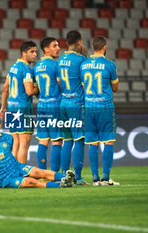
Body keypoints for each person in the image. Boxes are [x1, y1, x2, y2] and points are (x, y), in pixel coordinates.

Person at [0, 115, 76, 189]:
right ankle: (61, 185)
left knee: (39, 171)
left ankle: (67, 178)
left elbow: (10, 153)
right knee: (31, 181)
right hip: (4, 179)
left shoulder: (8, 138)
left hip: (16, 167)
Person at [80, 36, 120, 186]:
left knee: (93, 143)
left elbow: (84, 85)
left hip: (89, 107)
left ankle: (95, 179)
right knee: (108, 141)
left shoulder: (83, 65)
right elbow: (115, 88)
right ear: (104, 47)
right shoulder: (109, 64)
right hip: (105, 107)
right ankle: (106, 178)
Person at [0, 41, 39, 164]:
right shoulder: (27, 69)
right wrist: (39, 87)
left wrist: (3, 106)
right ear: (23, 53)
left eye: (35, 51)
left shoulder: (13, 67)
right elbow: (29, 91)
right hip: (23, 109)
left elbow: (5, 88)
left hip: (12, 108)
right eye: (32, 52)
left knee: (15, 143)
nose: (35, 54)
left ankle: (12, 173)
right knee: (24, 144)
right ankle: (22, 174)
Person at [57, 31, 88, 185]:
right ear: (79, 42)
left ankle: (64, 175)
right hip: (76, 104)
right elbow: (86, 79)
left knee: (67, 140)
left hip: (63, 103)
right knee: (79, 139)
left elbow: (59, 81)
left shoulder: (61, 59)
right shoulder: (81, 59)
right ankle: (78, 177)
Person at [33, 37, 62, 172]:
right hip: (55, 105)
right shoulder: (56, 65)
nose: (58, 48)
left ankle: (42, 173)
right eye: (54, 46)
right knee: (57, 140)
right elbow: (61, 85)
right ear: (46, 49)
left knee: (43, 140)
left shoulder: (36, 67)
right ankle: (55, 175)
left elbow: (36, 90)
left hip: (41, 106)